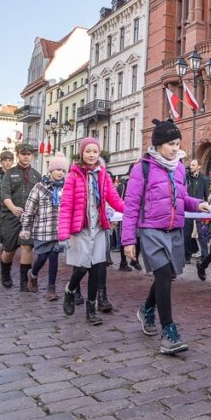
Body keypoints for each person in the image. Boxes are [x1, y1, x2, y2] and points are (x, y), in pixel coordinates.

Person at [124, 120, 209, 352]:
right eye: (171, 144)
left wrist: (198, 204)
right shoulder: (142, 168)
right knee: (162, 275)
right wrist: (128, 240)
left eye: (178, 143)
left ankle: (146, 310)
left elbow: (182, 197)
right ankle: (169, 332)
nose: (175, 148)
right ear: (159, 144)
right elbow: (131, 205)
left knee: (169, 275)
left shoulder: (179, 167)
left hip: (174, 230)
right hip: (151, 229)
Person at [59, 138, 125, 325]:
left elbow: (113, 198)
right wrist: (63, 234)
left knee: (96, 268)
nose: (91, 155)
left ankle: (91, 309)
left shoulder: (103, 174)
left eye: (94, 152)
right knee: (81, 266)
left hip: (98, 227)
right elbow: (66, 205)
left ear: (99, 154)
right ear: (82, 153)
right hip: (80, 227)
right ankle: (70, 290)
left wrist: (131, 211)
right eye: (87, 151)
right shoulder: (74, 175)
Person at [20, 155, 68, 301]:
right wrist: (26, 227)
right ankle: (33, 274)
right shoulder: (40, 187)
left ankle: (51, 288)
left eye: (64, 171)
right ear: (51, 170)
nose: (61, 173)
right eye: (58, 170)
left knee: (54, 257)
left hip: (58, 230)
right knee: (42, 257)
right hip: (42, 229)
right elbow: (29, 208)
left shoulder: (66, 188)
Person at [0, 144, 40, 290]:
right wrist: (13, 208)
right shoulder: (9, 174)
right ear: (18, 155)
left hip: (29, 218)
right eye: (23, 154)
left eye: (29, 154)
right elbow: (5, 194)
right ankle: (5, 274)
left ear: (32, 156)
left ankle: (24, 282)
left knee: (27, 246)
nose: (26, 156)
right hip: (11, 216)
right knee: (9, 249)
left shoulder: (36, 175)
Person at [183, 159, 209, 262]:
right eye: (191, 165)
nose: (191, 167)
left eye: (193, 165)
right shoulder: (186, 177)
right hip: (188, 208)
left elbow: (207, 195)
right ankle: (187, 256)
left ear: (199, 166)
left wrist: (206, 207)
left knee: (201, 233)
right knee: (186, 233)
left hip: (200, 208)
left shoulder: (205, 179)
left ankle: (205, 256)